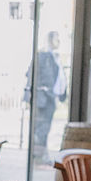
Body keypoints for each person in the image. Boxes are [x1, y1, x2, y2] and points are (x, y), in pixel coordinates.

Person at [23, 30, 67, 164]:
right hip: (42, 98)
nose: (59, 42)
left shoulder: (55, 57)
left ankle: (41, 155)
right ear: (50, 40)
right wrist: (30, 96)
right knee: (40, 129)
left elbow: (60, 77)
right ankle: (38, 157)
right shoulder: (42, 55)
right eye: (57, 39)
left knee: (44, 129)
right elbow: (31, 75)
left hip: (50, 98)